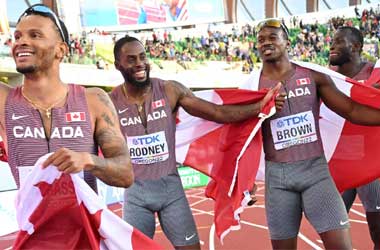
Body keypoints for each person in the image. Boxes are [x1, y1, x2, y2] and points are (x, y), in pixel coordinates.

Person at [109, 35, 280, 249]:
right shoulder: (110, 102)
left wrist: (259, 107)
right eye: (131, 59)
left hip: (171, 191)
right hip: (135, 194)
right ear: (118, 65)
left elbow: (218, 112)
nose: (139, 63)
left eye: (143, 57)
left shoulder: (170, 90)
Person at [247, 18, 380, 250]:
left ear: (287, 42)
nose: (266, 43)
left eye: (272, 37)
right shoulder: (251, 85)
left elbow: (352, 110)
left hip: (316, 174)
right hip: (278, 180)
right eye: (260, 40)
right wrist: (259, 109)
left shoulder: (313, 76)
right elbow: (241, 135)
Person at [0, 4, 134, 193]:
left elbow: (125, 174)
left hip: (86, 222)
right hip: (32, 223)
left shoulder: (94, 100)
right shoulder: (4, 100)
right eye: (18, 36)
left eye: (35, 35)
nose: (21, 42)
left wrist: (88, 161)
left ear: (61, 50)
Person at [329, 26, 380, 249]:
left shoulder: (374, 74)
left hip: (371, 165)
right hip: (340, 163)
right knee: (331, 228)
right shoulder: (326, 79)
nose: (331, 46)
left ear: (356, 47)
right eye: (331, 41)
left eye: (338, 42)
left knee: (378, 231)